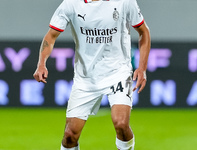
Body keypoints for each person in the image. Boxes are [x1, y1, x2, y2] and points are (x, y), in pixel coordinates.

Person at [33, 0, 151, 149]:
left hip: (118, 72)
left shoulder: (124, 2)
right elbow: (51, 36)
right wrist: (41, 63)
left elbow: (143, 32)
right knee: (70, 135)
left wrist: (142, 68)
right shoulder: (71, 4)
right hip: (86, 78)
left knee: (121, 123)